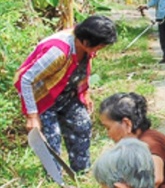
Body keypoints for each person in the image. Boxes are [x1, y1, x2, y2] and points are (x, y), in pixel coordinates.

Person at [14, 15, 117, 172]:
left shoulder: (85, 43)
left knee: (82, 126)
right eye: (100, 46)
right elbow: (25, 79)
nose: (99, 50)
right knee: (51, 141)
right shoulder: (58, 52)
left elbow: (82, 67)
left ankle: (81, 172)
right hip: (43, 97)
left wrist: (85, 92)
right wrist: (32, 117)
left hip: (67, 93)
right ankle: (56, 180)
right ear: (86, 42)